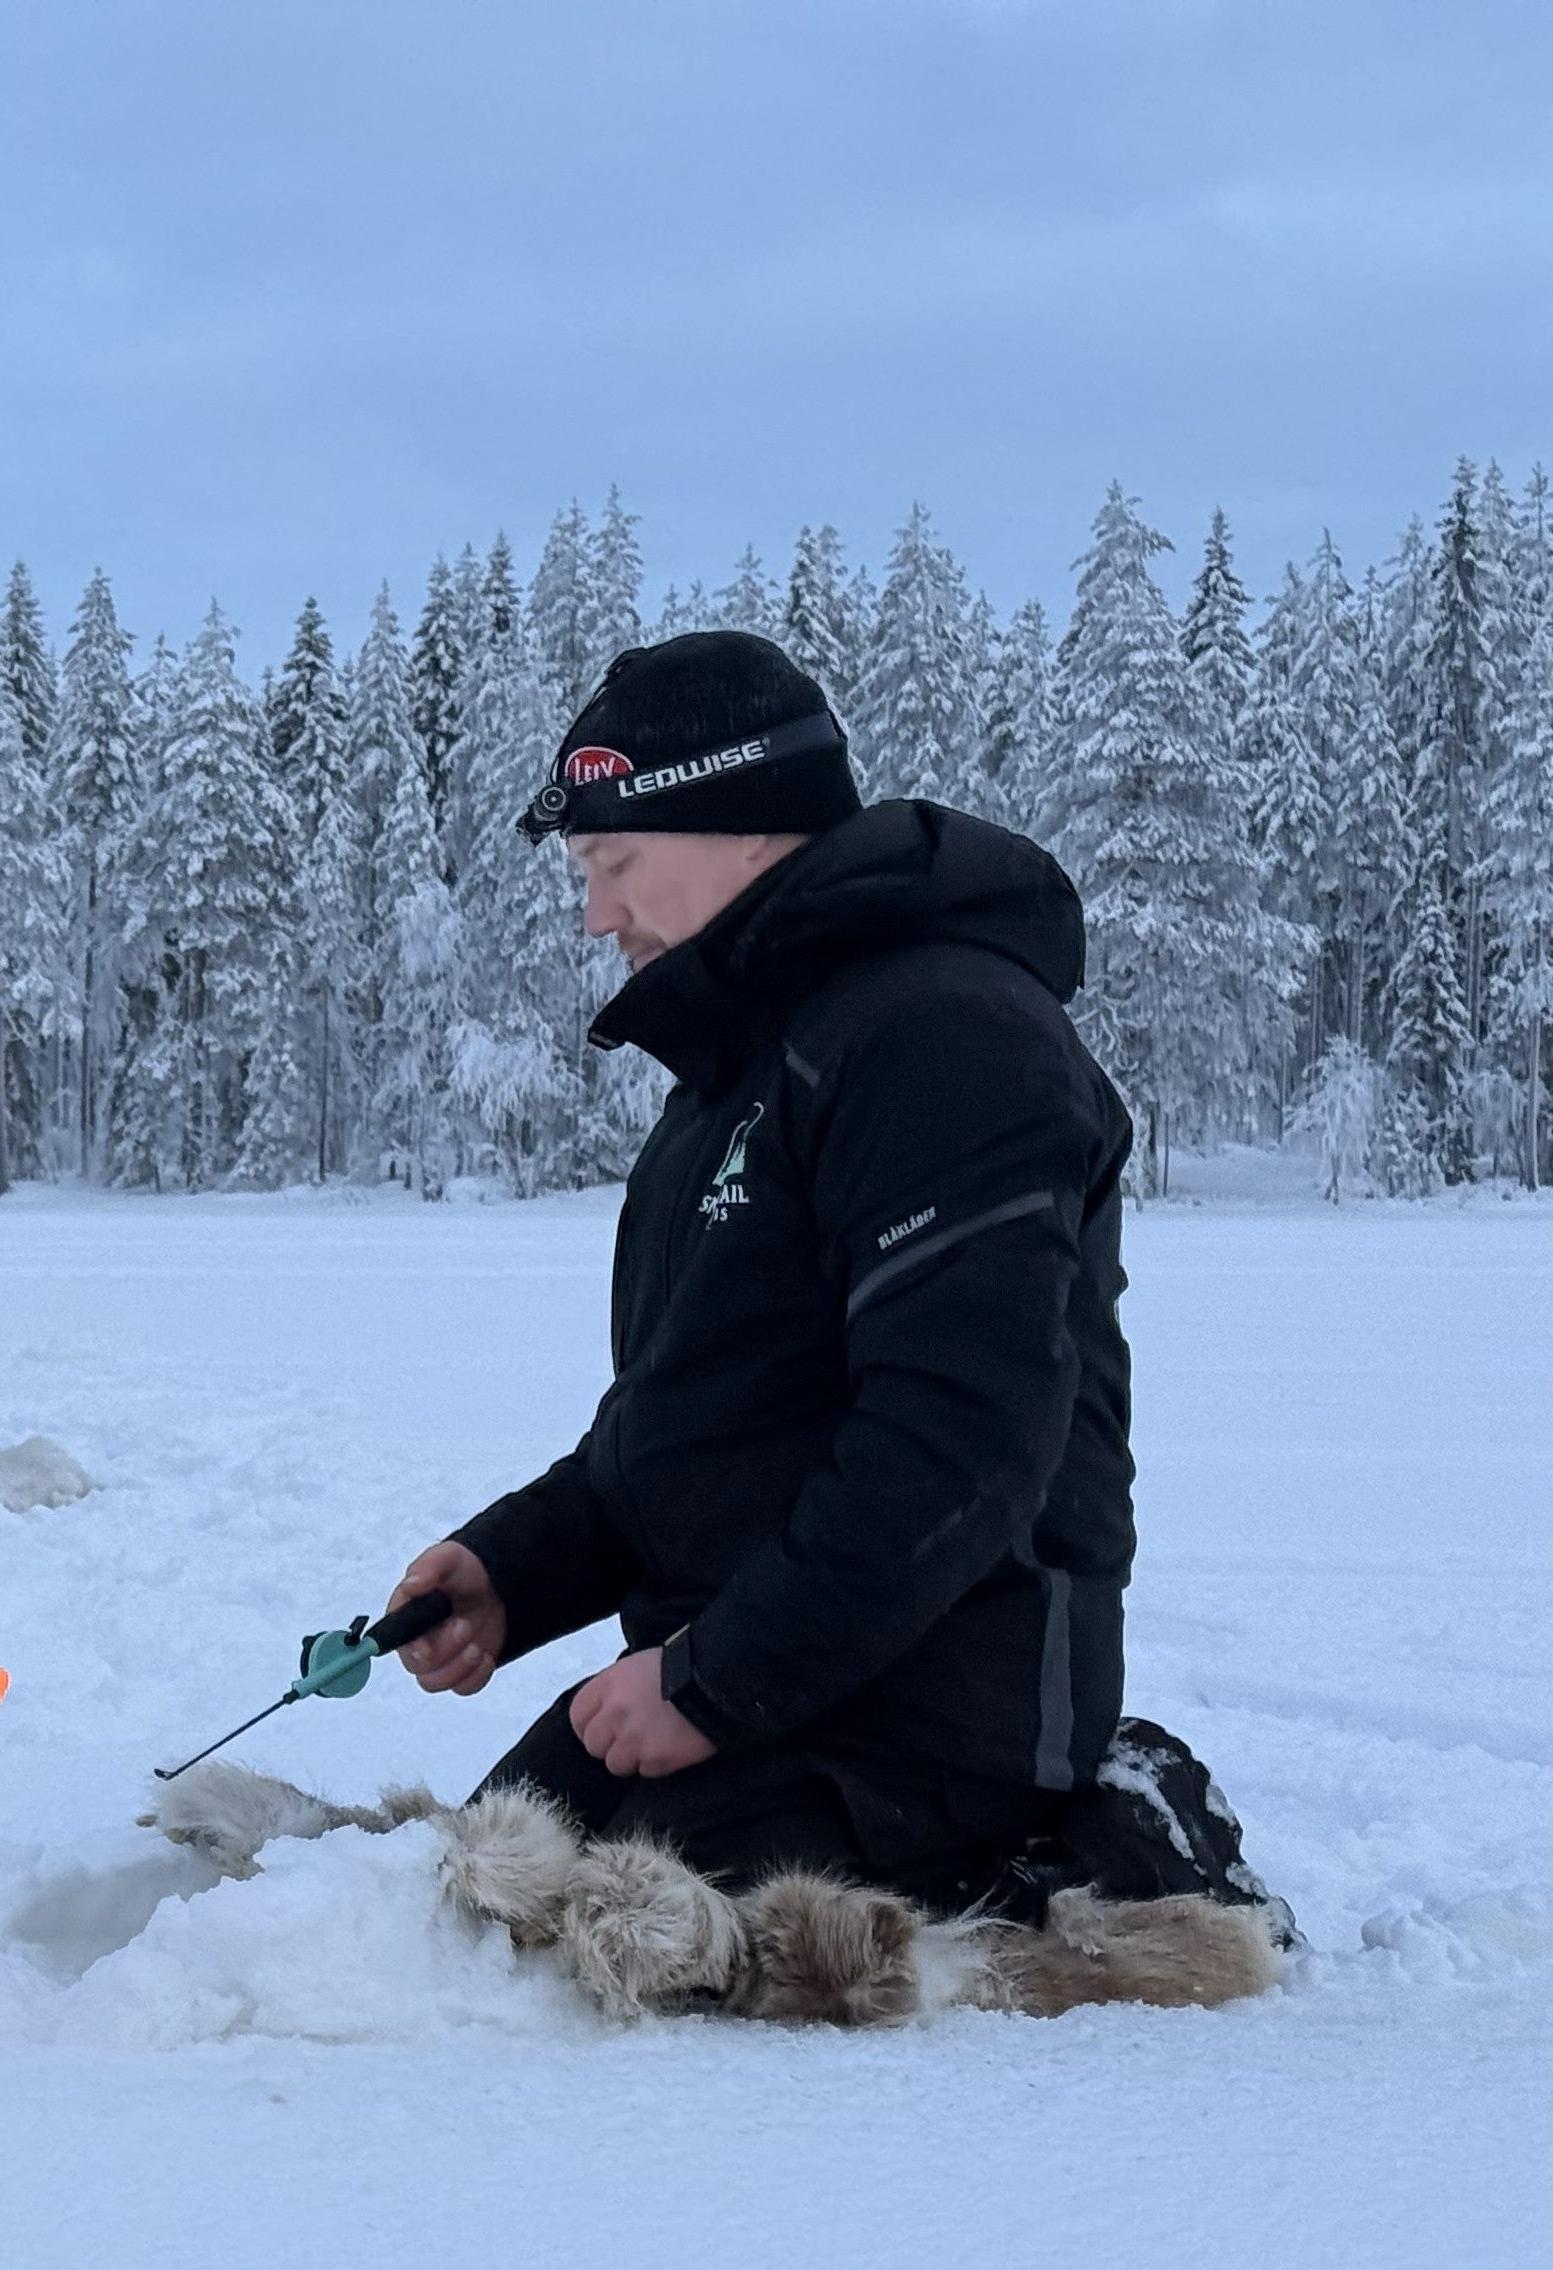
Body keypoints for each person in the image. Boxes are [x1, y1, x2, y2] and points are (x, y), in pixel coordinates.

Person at [387, 629, 1271, 1925]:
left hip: (929, 1725)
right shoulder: (736, 1083)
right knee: (451, 1894)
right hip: (759, 1695)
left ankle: (1111, 1853)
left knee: (559, 1943)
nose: (596, 912)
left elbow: (960, 1439)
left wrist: (708, 1685)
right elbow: (697, 1430)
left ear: (744, 826)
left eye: (614, 864)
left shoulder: (945, 1036)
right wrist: (512, 1570)